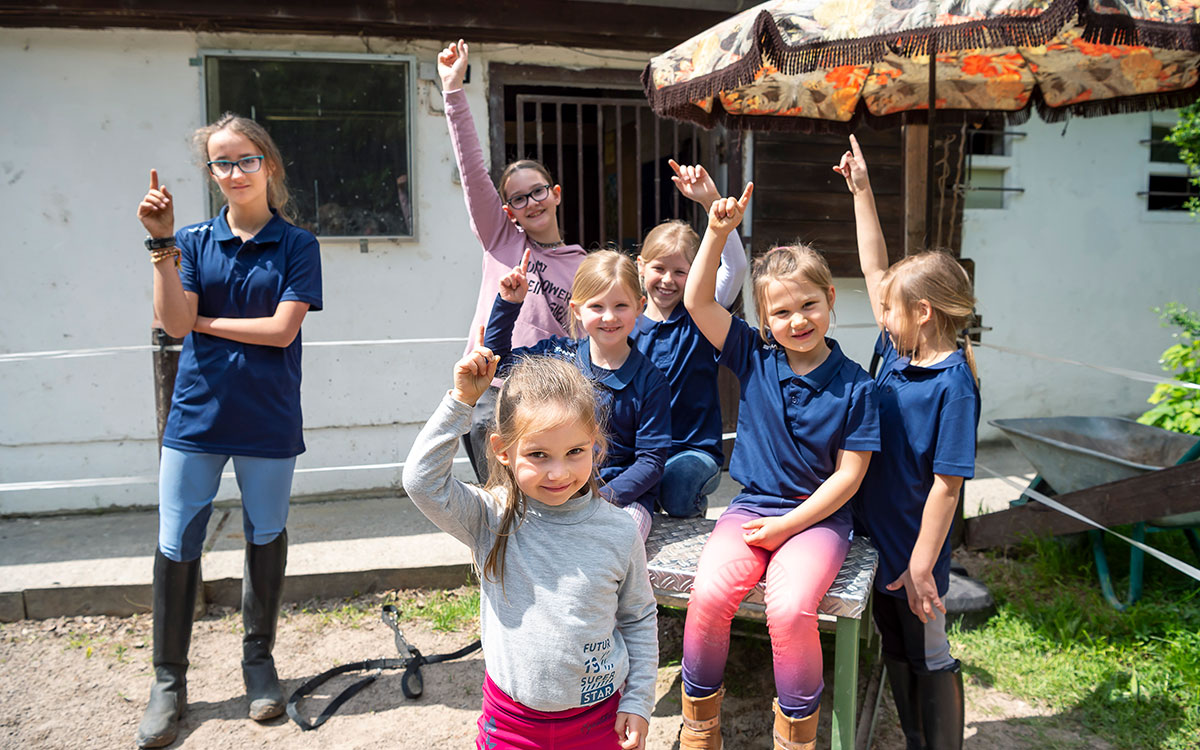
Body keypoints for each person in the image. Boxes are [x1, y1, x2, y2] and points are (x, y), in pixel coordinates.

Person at [133, 114, 322, 748]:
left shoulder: (297, 244)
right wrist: (161, 246)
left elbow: (281, 330)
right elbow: (173, 323)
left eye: (244, 160)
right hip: (197, 415)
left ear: (268, 164)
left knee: (265, 533)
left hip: (268, 415)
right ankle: (168, 681)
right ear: (211, 173)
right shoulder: (189, 239)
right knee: (176, 536)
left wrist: (206, 321)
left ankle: (257, 662)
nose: (233, 173)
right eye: (221, 163)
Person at [680, 185, 880, 750]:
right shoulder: (753, 356)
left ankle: (796, 740)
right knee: (709, 596)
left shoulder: (856, 386)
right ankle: (700, 729)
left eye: (808, 305)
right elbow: (698, 302)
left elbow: (849, 477)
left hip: (819, 520)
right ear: (765, 319)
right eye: (782, 311)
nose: (798, 320)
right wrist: (716, 232)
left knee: (790, 610)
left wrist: (789, 527)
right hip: (751, 508)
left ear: (831, 299)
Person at [402, 352, 659, 750]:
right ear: (503, 450)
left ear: (594, 444)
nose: (558, 472)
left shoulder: (618, 529)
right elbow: (421, 482)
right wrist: (461, 402)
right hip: (511, 722)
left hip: (600, 719)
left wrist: (640, 700)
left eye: (575, 451)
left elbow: (639, 617)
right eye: (538, 455)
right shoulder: (490, 517)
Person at [836, 135, 979, 750]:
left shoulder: (956, 385)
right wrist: (864, 192)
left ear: (922, 312)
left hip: (916, 549)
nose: (878, 314)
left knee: (930, 648)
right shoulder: (896, 351)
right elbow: (874, 268)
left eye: (889, 308)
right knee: (895, 642)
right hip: (877, 535)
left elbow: (948, 484)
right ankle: (914, 737)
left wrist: (922, 562)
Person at [438, 38, 587, 483]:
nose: (531, 202)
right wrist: (454, 90)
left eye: (538, 191)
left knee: (543, 500)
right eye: (518, 198)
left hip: (545, 396)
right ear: (508, 211)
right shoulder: (499, 238)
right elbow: (470, 168)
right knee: (494, 502)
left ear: (555, 194)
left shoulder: (583, 266)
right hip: (489, 388)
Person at [484, 250, 671, 541]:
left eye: (621, 305)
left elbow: (650, 461)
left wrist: (601, 501)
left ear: (640, 306)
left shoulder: (652, 381)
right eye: (596, 306)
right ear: (576, 309)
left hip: (621, 499)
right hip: (558, 486)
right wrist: (509, 303)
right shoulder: (559, 355)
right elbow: (499, 360)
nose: (609, 317)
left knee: (618, 544)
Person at [632, 160, 748, 518]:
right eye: (659, 269)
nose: (668, 280)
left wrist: (711, 201)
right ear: (640, 267)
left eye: (680, 271)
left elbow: (736, 268)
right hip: (643, 450)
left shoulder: (701, 314)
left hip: (693, 451)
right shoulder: (625, 326)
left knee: (677, 483)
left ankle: (694, 521)